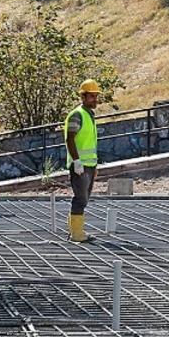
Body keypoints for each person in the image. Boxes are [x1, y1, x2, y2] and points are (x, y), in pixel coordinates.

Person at [64, 79, 101, 243]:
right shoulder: (77, 115)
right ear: (83, 97)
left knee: (84, 199)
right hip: (80, 166)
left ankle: (75, 229)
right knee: (80, 199)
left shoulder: (89, 115)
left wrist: (94, 165)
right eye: (91, 96)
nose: (95, 99)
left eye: (96, 96)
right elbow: (69, 138)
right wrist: (77, 161)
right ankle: (76, 234)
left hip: (89, 165)